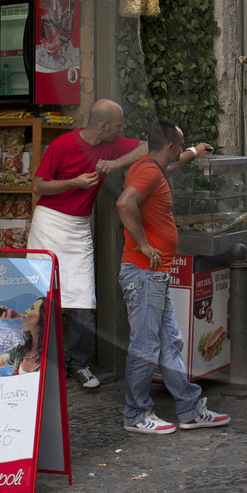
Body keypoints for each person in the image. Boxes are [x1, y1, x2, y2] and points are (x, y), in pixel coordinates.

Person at [115, 119, 229, 434]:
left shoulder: (151, 167)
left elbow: (174, 163)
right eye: (179, 144)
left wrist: (195, 151)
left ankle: (189, 408)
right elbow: (124, 203)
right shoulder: (149, 172)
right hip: (144, 273)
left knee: (169, 343)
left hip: (154, 274)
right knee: (145, 346)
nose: (180, 150)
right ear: (169, 145)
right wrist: (143, 244)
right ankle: (135, 414)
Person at [31, 99, 148, 390]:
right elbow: (39, 186)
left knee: (84, 298)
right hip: (49, 223)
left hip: (79, 226)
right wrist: (75, 182)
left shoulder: (112, 144)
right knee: (44, 296)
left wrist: (116, 163)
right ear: (104, 125)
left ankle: (77, 363)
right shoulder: (61, 145)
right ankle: (41, 361)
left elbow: (147, 147)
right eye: (118, 125)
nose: (121, 130)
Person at [0, 298, 46, 373]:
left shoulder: (49, 358)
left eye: (32, 308)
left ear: (43, 317)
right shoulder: (19, 351)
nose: (26, 311)